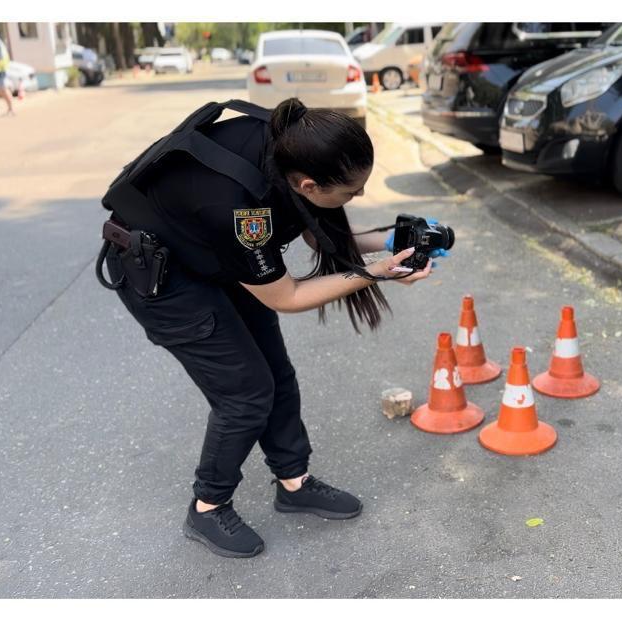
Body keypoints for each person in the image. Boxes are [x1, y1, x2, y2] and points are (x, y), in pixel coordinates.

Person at [100, 97, 445, 559]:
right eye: (350, 193)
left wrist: (389, 241)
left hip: (211, 252)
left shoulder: (293, 141)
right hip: (165, 277)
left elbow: (311, 226)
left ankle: (294, 482)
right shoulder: (240, 211)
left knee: (276, 372)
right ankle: (207, 506)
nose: (356, 199)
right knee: (245, 394)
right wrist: (375, 272)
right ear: (308, 183)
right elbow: (288, 297)